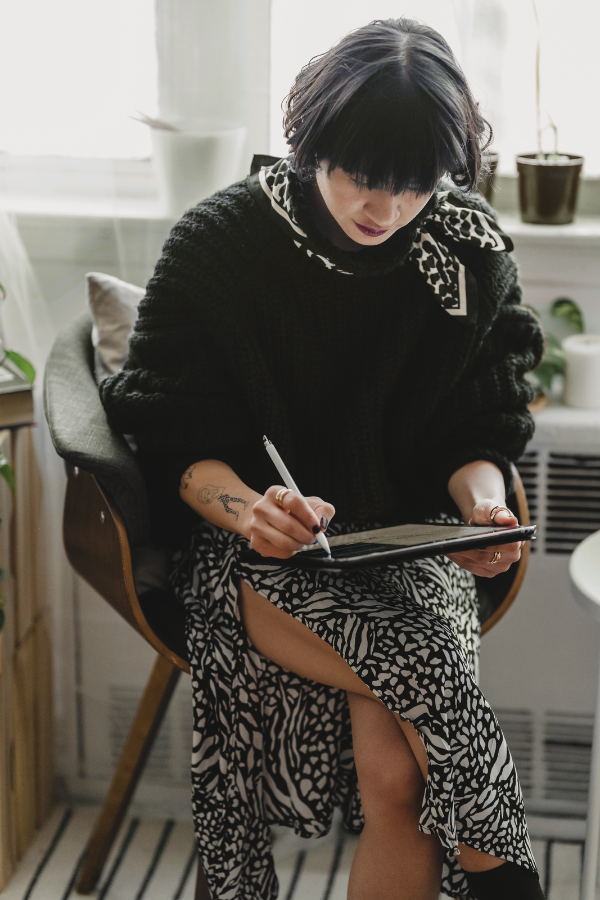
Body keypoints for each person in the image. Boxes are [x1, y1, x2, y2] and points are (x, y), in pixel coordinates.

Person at [100, 17, 545, 900]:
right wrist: (250, 510)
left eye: (414, 187)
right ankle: (503, 870)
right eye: (361, 177)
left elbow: (479, 427)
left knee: (399, 781)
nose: (383, 209)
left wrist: (486, 507)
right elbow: (171, 443)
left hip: (413, 542)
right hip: (256, 555)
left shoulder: (467, 250)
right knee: (430, 664)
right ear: (312, 142)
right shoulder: (222, 245)